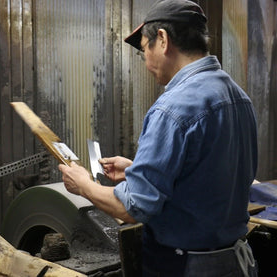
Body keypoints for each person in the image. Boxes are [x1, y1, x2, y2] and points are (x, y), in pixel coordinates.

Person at [58, 0, 258, 276]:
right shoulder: (238, 97)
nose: (146, 63)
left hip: (184, 265)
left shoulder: (173, 107)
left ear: (162, 40)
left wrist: (83, 185)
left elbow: (132, 208)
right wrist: (135, 171)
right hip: (233, 262)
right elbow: (214, 178)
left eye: (143, 51)